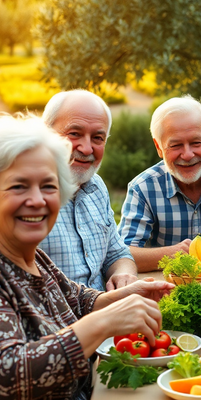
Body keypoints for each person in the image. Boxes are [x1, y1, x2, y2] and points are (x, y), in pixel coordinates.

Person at [0, 115, 173, 400]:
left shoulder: (29, 255)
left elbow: (76, 301)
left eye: (48, 186)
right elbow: (2, 380)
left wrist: (124, 297)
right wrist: (104, 322)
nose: (37, 200)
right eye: (18, 187)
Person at [118, 96, 201, 271]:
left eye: (195, 143)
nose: (187, 155)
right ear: (158, 147)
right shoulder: (143, 188)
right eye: (176, 145)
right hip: (168, 290)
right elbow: (122, 255)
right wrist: (171, 254)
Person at [39, 90, 138, 291]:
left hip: (106, 312)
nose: (86, 148)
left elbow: (117, 253)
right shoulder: (29, 198)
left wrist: (123, 274)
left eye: (97, 138)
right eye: (74, 133)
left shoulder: (97, 187)